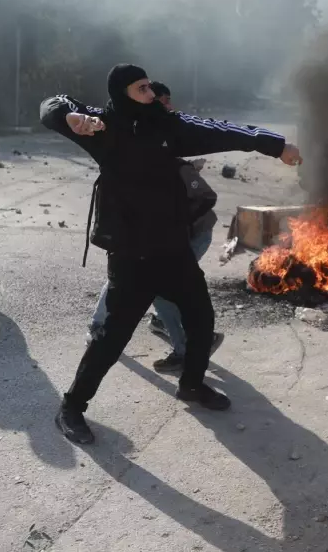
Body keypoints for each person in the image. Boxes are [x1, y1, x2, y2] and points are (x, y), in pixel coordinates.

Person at [40, 63, 302, 445]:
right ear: (122, 93)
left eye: (150, 86)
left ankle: (192, 384)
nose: (152, 94)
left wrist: (275, 144)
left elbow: (222, 131)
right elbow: (49, 105)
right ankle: (72, 407)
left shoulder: (169, 127)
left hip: (173, 250)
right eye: (142, 88)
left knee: (202, 320)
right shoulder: (101, 127)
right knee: (112, 338)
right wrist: (70, 115)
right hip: (131, 255)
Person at [86, 81, 225, 373]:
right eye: (161, 100)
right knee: (124, 275)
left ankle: (188, 346)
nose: (168, 106)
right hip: (147, 236)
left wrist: (178, 223)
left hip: (192, 234)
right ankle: (102, 325)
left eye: (166, 101)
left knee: (159, 290)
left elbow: (205, 197)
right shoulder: (135, 137)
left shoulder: (166, 136)